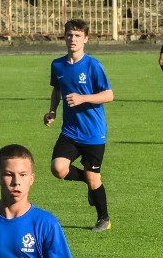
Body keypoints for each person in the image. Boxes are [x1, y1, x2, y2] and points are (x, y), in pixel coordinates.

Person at [44, 19, 114, 233]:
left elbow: (109, 95)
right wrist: (53, 111)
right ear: (64, 37)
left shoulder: (93, 65)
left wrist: (83, 99)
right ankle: (90, 181)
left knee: (94, 179)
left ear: (85, 39)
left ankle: (104, 219)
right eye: (69, 35)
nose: (72, 39)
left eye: (77, 36)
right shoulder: (57, 65)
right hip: (70, 131)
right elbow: (57, 90)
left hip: (93, 133)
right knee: (58, 168)